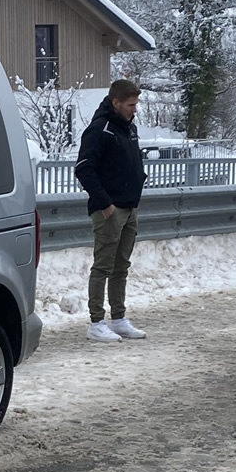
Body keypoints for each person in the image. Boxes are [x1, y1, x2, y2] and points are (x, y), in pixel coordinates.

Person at [75, 78, 148, 342]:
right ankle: (96, 323)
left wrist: (140, 178)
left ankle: (118, 319)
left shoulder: (129, 129)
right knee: (103, 266)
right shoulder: (99, 130)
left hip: (129, 207)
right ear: (115, 102)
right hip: (109, 210)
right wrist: (105, 204)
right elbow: (84, 168)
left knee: (121, 267)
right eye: (130, 104)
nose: (134, 109)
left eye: (136, 104)